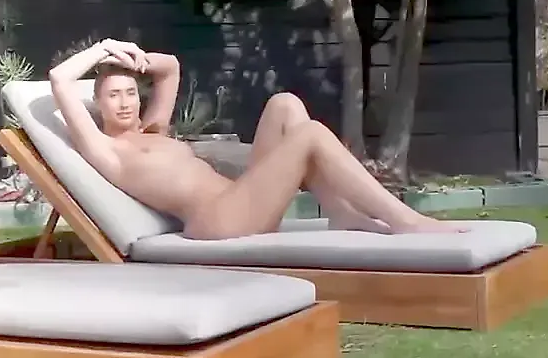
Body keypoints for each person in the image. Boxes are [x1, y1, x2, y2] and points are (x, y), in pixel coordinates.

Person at [47, 37, 468, 240]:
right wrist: (104, 49)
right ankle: (407, 221)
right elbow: (59, 78)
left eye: (129, 92)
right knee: (311, 135)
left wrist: (132, 59)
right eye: (112, 95)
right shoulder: (107, 151)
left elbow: (171, 66)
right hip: (218, 223)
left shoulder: (154, 128)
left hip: (241, 198)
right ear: (97, 103)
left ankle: (341, 212)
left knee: (285, 105)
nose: (124, 103)